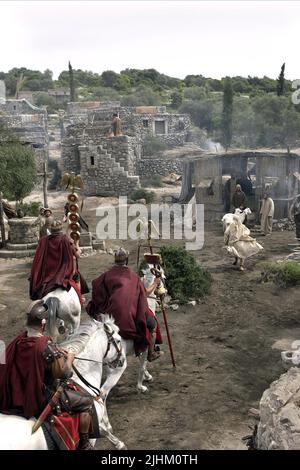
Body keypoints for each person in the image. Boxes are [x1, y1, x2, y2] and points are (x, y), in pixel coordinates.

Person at [0, 301, 98, 450]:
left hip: (15, 392)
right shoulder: (46, 347)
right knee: (87, 402)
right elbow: (65, 373)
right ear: (44, 325)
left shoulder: (16, 342)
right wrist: (70, 357)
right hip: (40, 397)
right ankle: (85, 444)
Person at [86, 248, 150, 356]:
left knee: (93, 308)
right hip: (128, 322)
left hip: (110, 316)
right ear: (127, 260)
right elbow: (143, 296)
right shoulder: (135, 277)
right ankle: (151, 351)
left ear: (115, 260)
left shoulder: (106, 275)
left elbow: (95, 285)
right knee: (152, 325)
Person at [29, 220, 89, 303]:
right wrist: (77, 245)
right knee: (77, 276)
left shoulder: (44, 240)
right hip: (63, 272)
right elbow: (78, 255)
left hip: (48, 272)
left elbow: (38, 258)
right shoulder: (66, 240)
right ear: (61, 229)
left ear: (51, 230)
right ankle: (80, 299)